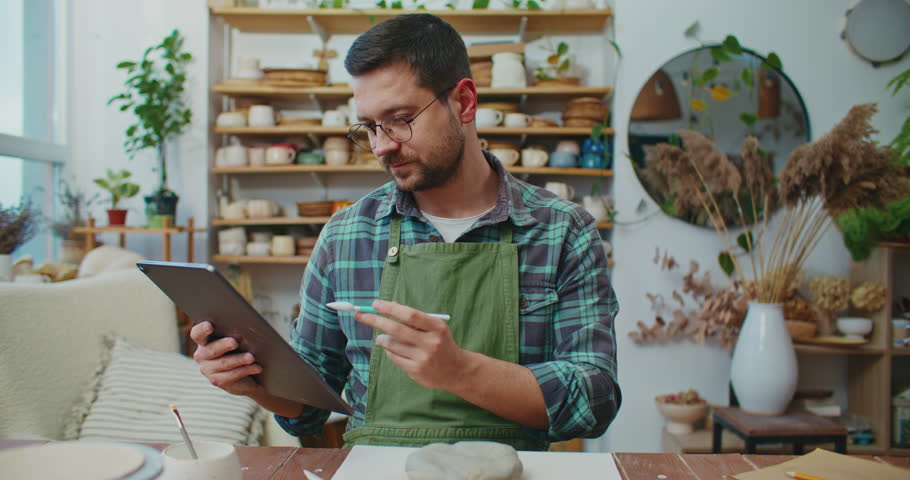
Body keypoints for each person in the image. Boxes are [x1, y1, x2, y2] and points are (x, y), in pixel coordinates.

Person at [191, 13, 620, 451]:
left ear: (465, 102)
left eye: (399, 119)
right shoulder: (345, 235)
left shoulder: (562, 230)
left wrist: (461, 371)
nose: (381, 146)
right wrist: (253, 384)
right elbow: (310, 409)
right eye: (369, 126)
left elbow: (595, 398)